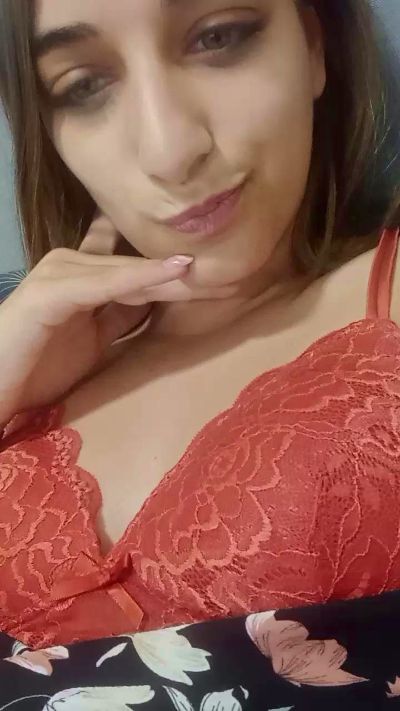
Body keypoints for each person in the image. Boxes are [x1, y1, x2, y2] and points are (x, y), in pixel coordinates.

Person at [0, 0, 399, 651]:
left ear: (313, 47)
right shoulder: (32, 358)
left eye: (218, 38)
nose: (171, 151)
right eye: (84, 85)